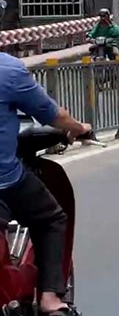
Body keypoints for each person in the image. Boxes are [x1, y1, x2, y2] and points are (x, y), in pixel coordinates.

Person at [0, 53, 91, 315]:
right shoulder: (8, 69)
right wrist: (78, 127)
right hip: (5, 181)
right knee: (52, 219)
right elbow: (54, 115)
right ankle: (50, 298)